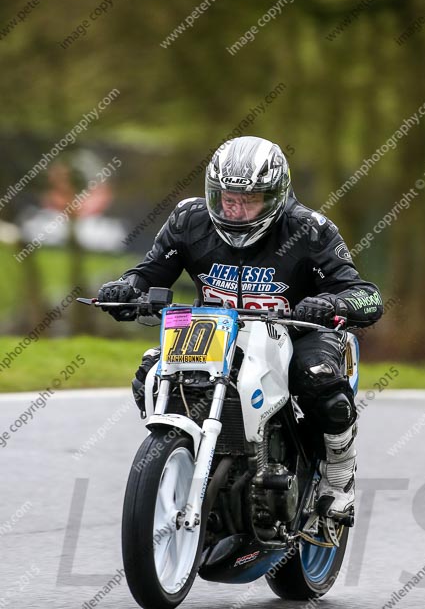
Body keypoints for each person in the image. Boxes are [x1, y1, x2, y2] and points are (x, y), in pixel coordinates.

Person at [98, 136, 383, 516]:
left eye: (250, 200)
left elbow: (367, 295)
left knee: (318, 378)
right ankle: (184, 452)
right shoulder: (188, 219)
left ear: (277, 195)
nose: (235, 210)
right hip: (213, 332)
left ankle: (338, 473)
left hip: (297, 333)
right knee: (149, 374)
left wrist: (331, 303)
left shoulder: (311, 230)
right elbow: (149, 272)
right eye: (226, 199)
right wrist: (127, 289)